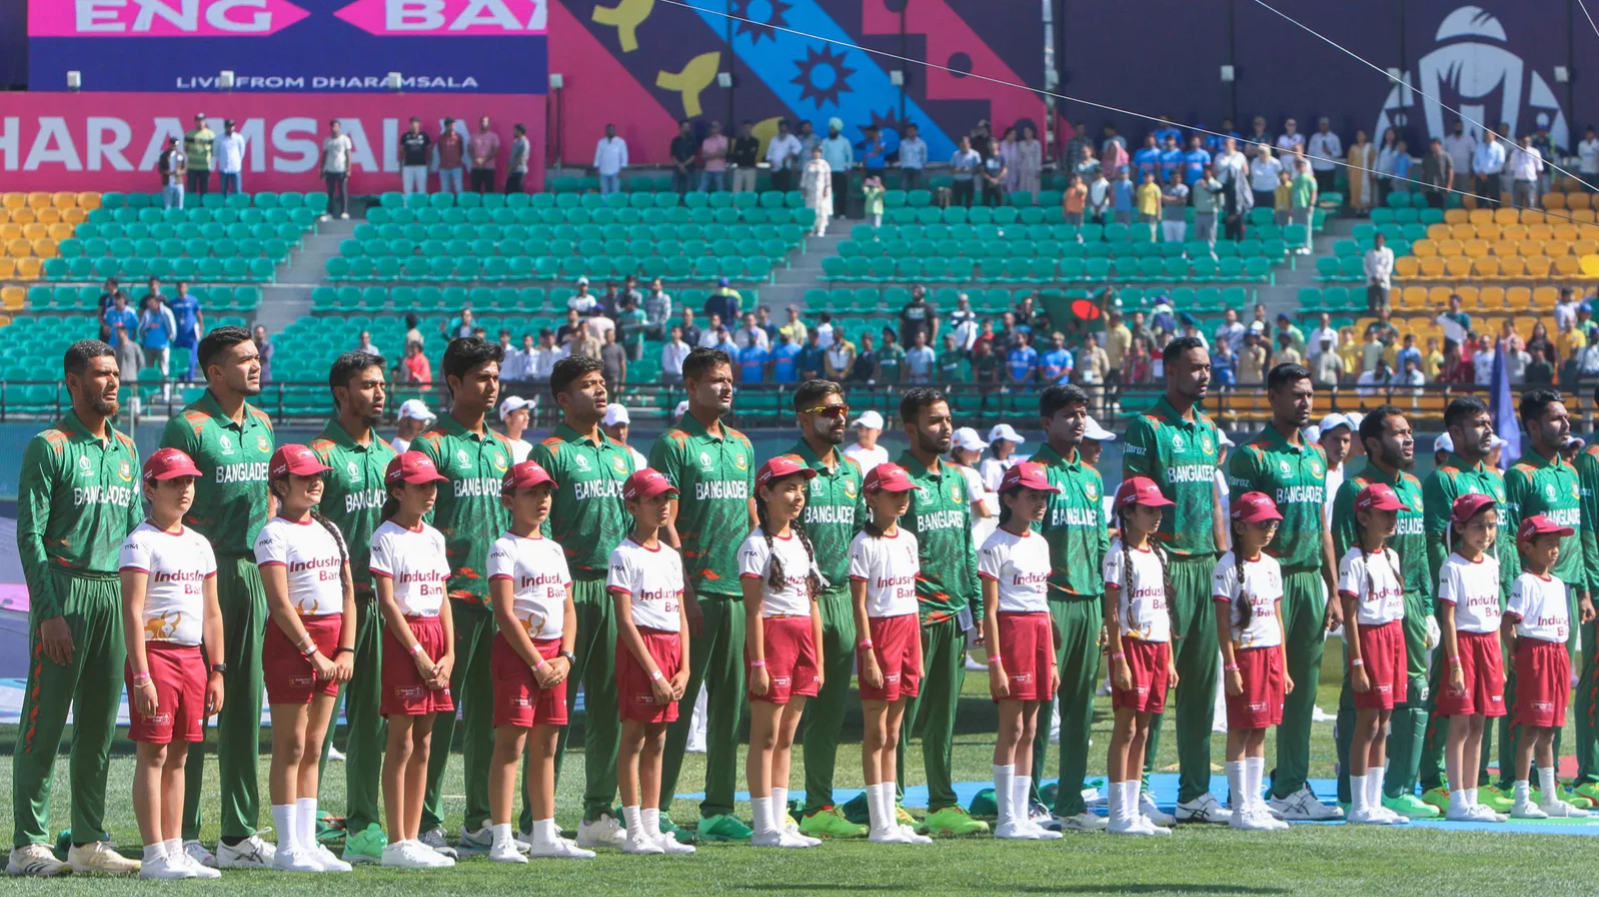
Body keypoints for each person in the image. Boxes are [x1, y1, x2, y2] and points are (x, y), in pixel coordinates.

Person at [10, 341, 144, 878]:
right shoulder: (49, 446)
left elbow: (138, 537)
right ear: (72, 382)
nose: (112, 382)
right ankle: (28, 845)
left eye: (115, 373)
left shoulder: (129, 451)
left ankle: (87, 841)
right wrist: (48, 612)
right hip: (64, 592)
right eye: (100, 375)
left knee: (98, 727)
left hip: (114, 594)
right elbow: (29, 535)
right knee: (43, 725)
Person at [158, 326, 277, 868]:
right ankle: (182, 834)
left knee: (245, 707)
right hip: (202, 574)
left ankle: (236, 836)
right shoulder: (188, 425)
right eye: (243, 359)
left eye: (256, 357)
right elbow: (166, 504)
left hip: (253, 572)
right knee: (191, 708)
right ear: (214, 372)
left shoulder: (264, 424)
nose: (255, 365)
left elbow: (269, 500)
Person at [1118, 338, 1228, 824]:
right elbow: (1132, 497)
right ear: (1170, 371)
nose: (1205, 376)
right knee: (1154, 684)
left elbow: (1214, 498)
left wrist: (1226, 558)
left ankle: (1195, 794)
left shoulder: (1208, 431)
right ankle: (1137, 789)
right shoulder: (1148, 426)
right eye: (1195, 368)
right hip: (1163, 564)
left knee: (1203, 687)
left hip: (1206, 564)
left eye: (1208, 368)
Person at [650, 349, 757, 841]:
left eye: (729, 380)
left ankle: (717, 810)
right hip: (691, 589)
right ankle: (660, 807)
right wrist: (683, 588)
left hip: (737, 590)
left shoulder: (742, 444)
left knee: (730, 708)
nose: (726, 387)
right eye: (715, 380)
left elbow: (752, 515)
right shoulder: (673, 444)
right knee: (678, 700)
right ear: (690, 387)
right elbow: (663, 521)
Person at [1228, 364, 1343, 820]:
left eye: (1310, 394)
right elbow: (1240, 527)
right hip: (1266, 581)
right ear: (1273, 397)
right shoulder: (1250, 456)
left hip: (1309, 579)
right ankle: (1245, 794)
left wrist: (1333, 591)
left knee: (1303, 692)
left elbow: (1322, 525)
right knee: (1258, 687)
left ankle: (1290, 787)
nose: (1306, 402)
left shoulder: (1316, 457)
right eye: (1296, 394)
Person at [413, 337, 514, 855]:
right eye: (481, 377)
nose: (492, 385)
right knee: (437, 716)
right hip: (448, 601)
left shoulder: (502, 448)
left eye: (496, 376)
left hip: (501, 602)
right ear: (453, 383)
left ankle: (481, 820)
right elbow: (414, 525)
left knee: (493, 717)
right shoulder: (431, 445)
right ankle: (425, 819)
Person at [760, 383, 869, 840]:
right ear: (803, 419)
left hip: (841, 598)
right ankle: (771, 809)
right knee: (780, 717)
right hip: (795, 603)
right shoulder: (786, 468)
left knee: (829, 714)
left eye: (843, 409)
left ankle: (818, 803)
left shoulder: (853, 471)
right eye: (828, 411)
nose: (840, 418)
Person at [303, 353, 397, 863]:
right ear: (341, 393)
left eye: (382, 385)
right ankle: (306, 824)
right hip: (329, 610)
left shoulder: (390, 457)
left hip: (378, 605)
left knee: (371, 723)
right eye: (367, 385)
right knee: (316, 724)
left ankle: (364, 825)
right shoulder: (317, 455)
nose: (380, 393)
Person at [481, 460, 594, 862]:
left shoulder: (553, 548)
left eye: (545, 492)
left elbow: (568, 609)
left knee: (547, 746)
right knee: (511, 746)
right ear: (509, 500)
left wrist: (565, 655)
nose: (542, 499)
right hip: (518, 656)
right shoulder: (503, 547)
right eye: (531, 492)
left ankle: (544, 834)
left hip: (554, 658)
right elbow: (505, 612)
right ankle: (502, 839)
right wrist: (537, 663)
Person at [121, 448, 225, 880]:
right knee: (155, 752)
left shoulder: (200, 544)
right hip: (156, 656)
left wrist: (218, 668)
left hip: (192, 660)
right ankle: (153, 855)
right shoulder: (140, 542)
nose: (185, 489)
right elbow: (132, 609)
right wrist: (142, 674)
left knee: (181, 755)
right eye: (174, 482)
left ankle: (176, 848)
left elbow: (213, 612)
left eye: (189, 481)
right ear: (150, 488)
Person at [890, 389, 988, 835]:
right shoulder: (893, 478)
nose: (945, 427)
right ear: (910, 429)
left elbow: (967, 548)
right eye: (934, 421)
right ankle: (889, 798)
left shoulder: (956, 478)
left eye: (948, 418)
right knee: (900, 715)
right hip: (910, 614)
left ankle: (943, 802)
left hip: (953, 613)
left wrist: (977, 605)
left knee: (943, 718)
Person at [255, 445, 357, 871]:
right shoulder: (273, 534)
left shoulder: (330, 529)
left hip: (333, 647)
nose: (316, 481)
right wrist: (313, 652)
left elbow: (349, 592)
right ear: (281, 485)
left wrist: (347, 648)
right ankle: (287, 848)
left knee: (315, 746)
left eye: (319, 474)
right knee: (291, 745)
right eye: (304, 476)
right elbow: (279, 604)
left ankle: (308, 841)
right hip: (293, 646)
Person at [1328, 408, 1433, 819]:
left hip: (1406, 603)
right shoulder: (1354, 487)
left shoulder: (1413, 485)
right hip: (1368, 609)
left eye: (1410, 431)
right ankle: (1350, 792)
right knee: (1361, 703)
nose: (1409, 439)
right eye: (1399, 433)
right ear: (1372, 443)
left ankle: (1397, 787)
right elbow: (1340, 545)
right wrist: (1337, 599)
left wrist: (1424, 606)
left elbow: (1421, 552)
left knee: (1408, 697)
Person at [1498, 389, 1592, 806]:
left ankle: (1547, 785)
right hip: (1530, 590)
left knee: (1555, 690)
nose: (1566, 424)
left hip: (1568, 589)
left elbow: (1583, 530)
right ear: (1533, 426)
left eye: (1566, 416)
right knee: (1522, 685)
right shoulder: (1520, 474)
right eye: (1556, 418)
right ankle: (1511, 779)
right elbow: (1505, 536)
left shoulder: (1570, 474)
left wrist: (1585, 590)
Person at [370, 452, 457, 869]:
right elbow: (387, 603)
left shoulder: (434, 537)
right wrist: (420, 654)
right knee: (401, 740)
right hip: (406, 640)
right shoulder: (385, 536)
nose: (430, 492)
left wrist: (450, 654)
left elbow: (442, 600)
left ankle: (414, 834)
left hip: (436, 641)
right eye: (421, 485)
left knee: (425, 740)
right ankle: (395, 841)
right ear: (398, 491)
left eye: (433, 485)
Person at [737, 457, 825, 849]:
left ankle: (780, 820)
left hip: (802, 637)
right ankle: (763, 827)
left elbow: (812, 605)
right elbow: (754, 610)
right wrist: (758, 664)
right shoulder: (755, 545)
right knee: (766, 735)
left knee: (788, 736)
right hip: (772, 639)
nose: (797, 496)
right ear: (765, 494)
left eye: (801, 489)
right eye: (788, 488)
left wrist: (818, 661)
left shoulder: (802, 541)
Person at [607, 468, 693, 853]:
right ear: (633, 505)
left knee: (658, 739)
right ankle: (635, 829)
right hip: (641, 651)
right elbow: (624, 620)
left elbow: (680, 614)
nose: (663, 506)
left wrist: (685, 668)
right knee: (634, 737)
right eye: (654, 499)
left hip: (672, 650)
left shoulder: (672, 556)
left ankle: (654, 825)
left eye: (666, 498)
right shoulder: (624, 554)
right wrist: (655, 672)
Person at [977, 462, 1064, 842]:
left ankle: (1023, 812)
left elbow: (1042, 601)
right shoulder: (994, 546)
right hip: (1012, 635)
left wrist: (1054, 659)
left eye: (1043, 496)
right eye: (1032, 496)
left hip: (1040, 634)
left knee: (1031, 727)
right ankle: (1006, 820)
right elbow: (991, 611)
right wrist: (995, 663)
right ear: (1009, 499)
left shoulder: (1041, 542)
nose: (1040, 503)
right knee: (1011, 727)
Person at [847, 463, 930, 842]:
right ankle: (880, 823)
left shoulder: (909, 540)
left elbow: (910, 597)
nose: (902, 499)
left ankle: (890, 820)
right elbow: (860, 605)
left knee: (895, 732)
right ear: (872, 497)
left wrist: (918, 652)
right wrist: (867, 652)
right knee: (876, 732)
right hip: (880, 635)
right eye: (893, 493)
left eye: (905, 493)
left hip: (907, 632)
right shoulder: (863, 544)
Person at [1103, 476, 1178, 836]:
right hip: (1131, 647)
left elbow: (1164, 610)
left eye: (1159, 510)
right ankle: (1119, 814)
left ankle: (1133, 810)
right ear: (1128, 513)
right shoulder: (1118, 555)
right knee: (1127, 726)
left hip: (1159, 648)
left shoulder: (1159, 552)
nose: (1157, 516)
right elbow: (1112, 613)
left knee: (1145, 730)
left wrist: (1171, 659)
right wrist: (1118, 659)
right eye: (1149, 510)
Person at [1213, 492, 1292, 831]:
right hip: (1244, 658)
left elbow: (1276, 619)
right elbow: (1221, 623)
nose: (1268, 530)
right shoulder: (1226, 567)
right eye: (1261, 524)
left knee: (1261, 729)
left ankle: (1255, 802)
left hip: (1270, 654)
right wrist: (1230, 667)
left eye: (1272, 523)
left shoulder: (1272, 566)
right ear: (1241, 525)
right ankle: (1240, 808)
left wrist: (1284, 668)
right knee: (1241, 729)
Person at [1336, 483, 1412, 826]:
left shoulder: (1392, 556)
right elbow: (1350, 615)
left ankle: (1374, 801)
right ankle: (1358, 805)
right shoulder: (1352, 560)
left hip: (1394, 637)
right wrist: (1357, 662)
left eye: (1395, 513)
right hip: (1370, 641)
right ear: (1364, 517)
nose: (1392, 519)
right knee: (1367, 723)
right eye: (1385, 513)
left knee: (1385, 724)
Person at [1505, 516, 1589, 817]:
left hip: (1557, 655)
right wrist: (1516, 654)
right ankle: (1521, 799)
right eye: (1548, 544)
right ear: (1528, 547)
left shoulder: (1559, 583)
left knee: (1551, 730)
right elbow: (1509, 622)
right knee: (1530, 728)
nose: (1555, 550)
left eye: (1557, 544)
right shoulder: (1524, 582)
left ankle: (1549, 798)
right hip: (1535, 654)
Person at [1433, 493, 1508, 823]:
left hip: (1489, 648)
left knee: (1480, 723)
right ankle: (1458, 800)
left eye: (1491, 526)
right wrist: (1455, 665)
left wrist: (1500, 661)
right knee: (1460, 725)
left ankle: (1473, 796)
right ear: (1460, 527)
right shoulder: (1452, 566)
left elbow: (1494, 616)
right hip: (1463, 647)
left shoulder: (1493, 564)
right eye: (1478, 526)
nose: (1486, 533)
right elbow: (1448, 618)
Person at [318, 120, 354, 221]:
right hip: (330, 169)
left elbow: (348, 155)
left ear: (340, 128)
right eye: (333, 126)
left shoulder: (345, 139)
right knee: (330, 192)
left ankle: (344, 212)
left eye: (337, 126)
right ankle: (330, 213)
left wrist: (348, 169)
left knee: (342, 192)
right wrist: (321, 169)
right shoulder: (327, 140)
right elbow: (324, 156)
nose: (335, 128)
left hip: (341, 169)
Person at [980, 423, 1025, 498]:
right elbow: (988, 491)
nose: (1014, 443)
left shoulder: (1012, 463)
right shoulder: (988, 464)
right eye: (1010, 440)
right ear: (998, 443)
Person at [844, 410, 889, 476]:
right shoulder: (849, 454)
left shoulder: (883, 453)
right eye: (860, 428)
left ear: (878, 432)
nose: (863, 433)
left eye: (868, 429)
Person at [801, 146, 832, 237]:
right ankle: (811, 228)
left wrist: (826, 189)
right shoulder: (808, 164)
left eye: (818, 152)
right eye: (814, 151)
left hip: (821, 190)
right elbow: (804, 177)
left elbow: (828, 178)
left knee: (821, 210)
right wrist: (803, 188)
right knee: (811, 210)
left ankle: (821, 229)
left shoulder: (825, 164)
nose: (816, 153)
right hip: (810, 191)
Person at [765, 119, 802, 193]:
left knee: (784, 188)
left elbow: (799, 147)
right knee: (775, 188)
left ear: (787, 128)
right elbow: (769, 154)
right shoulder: (773, 139)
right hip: (775, 168)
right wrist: (771, 161)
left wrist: (789, 156)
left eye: (784, 127)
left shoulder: (791, 138)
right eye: (781, 127)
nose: (782, 129)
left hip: (785, 167)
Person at [593, 124, 629, 195]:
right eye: (608, 130)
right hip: (603, 171)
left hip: (616, 171)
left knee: (615, 192)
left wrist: (622, 169)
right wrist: (596, 167)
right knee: (604, 192)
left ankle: (614, 206)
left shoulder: (620, 142)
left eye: (612, 130)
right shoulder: (601, 142)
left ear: (614, 131)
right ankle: (605, 206)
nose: (610, 131)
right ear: (606, 131)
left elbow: (624, 156)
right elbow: (598, 155)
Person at [399, 117, 432, 196]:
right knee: (407, 190)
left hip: (421, 166)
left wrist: (429, 165)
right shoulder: (405, 136)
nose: (413, 125)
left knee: (422, 189)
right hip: (408, 166)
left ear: (419, 124)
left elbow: (430, 151)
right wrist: (400, 167)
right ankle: (407, 207)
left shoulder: (424, 136)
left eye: (414, 123)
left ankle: (422, 207)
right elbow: (401, 152)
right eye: (411, 124)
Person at [183, 113, 214, 196]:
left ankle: (203, 208)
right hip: (192, 167)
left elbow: (213, 150)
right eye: (198, 121)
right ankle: (192, 207)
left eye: (202, 121)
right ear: (195, 122)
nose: (200, 123)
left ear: (205, 122)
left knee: (204, 190)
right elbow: (186, 149)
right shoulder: (189, 134)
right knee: (191, 189)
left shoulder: (210, 135)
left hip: (205, 167)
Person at [214, 120, 246, 197]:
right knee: (224, 190)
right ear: (225, 127)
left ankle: (238, 207)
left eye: (231, 126)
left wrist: (236, 161)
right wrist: (222, 160)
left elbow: (242, 152)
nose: (230, 128)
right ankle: (225, 208)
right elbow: (216, 152)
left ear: (234, 127)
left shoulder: (239, 138)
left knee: (237, 190)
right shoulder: (219, 138)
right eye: (228, 126)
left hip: (235, 168)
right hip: (223, 168)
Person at [469, 117, 501, 194]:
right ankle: (475, 206)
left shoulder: (494, 136)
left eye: (486, 122)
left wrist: (484, 160)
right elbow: (469, 149)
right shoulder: (473, 136)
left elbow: (495, 150)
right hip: (476, 167)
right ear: (479, 124)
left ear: (489, 124)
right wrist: (476, 160)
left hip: (489, 167)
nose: (484, 124)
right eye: (482, 122)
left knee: (489, 189)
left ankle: (489, 205)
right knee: (475, 190)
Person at [1364, 232, 1394, 314]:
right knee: (1371, 306)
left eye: (1380, 238)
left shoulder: (1388, 252)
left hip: (1383, 283)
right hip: (1371, 282)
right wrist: (1372, 277)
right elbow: (1366, 266)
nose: (1378, 240)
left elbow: (1389, 266)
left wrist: (1381, 278)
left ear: (1384, 240)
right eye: (1377, 238)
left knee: (1384, 306)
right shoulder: (1369, 253)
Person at [435, 118, 465, 195]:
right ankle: (446, 206)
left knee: (459, 189)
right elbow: (440, 151)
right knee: (445, 190)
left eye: (454, 126)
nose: (452, 127)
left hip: (456, 167)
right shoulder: (441, 138)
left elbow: (461, 151)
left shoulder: (458, 137)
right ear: (445, 126)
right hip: (444, 167)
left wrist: (456, 159)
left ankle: (459, 206)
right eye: (450, 126)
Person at [669, 119, 698, 196]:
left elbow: (694, 155)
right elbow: (672, 156)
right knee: (674, 190)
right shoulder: (675, 140)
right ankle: (673, 205)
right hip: (677, 168)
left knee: (689, 191)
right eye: (685, 127)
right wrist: (680, 166)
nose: (687, 129)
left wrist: (684, 165)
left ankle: (688, 207)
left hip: (690, 168)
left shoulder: (692, 140)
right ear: (680, 128)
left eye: (688, 127)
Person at [699, 121, 730, 193]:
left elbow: (723, 154)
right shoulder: (706, 141)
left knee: (720, 191)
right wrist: (716, 153)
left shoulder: (723, 139)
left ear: (719, 128)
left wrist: (709, 155)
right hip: (707, 169)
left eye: (715, 127)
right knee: (701, 191)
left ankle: (721, 204)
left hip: (720, 170)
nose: (713, 129)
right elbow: (704, 156)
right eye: (712, 128)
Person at [951, 136, 981, 208]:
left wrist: (969, 170)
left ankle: (968, 218)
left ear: (969, 144)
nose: (963, 147)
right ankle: (958, 218)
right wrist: (957, 170)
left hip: (969, 181)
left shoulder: (975, 154)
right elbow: (951, 168)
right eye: (961, 145)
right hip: (957, 182)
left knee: (969, 203)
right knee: (957, 203)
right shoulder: (955, 154)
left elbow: (979, 169)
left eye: (964, 145)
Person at [730, 121, 760, 194]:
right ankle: (735, 205)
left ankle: (749, 205)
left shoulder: (755, 141)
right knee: (736, 190)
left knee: (749, 191)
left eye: (749, 127)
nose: (747, 129)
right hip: (739, 168)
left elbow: (753, 154)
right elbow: (735, 154)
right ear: (742, 129)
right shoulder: (739, 141)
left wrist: (742, 152)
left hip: (750, 168)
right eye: (745, 127)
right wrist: (748, 151)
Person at [898, 123, 927, 190]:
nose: (910, 132)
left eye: (912, 130)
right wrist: (902, 165)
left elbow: (924, 157)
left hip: (917, 168)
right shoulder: (903, 143)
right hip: (905, 168)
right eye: (908, 130)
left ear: (916, 131)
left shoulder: (922, 143)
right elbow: (901, 155)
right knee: (903, 187)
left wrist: (922, 166)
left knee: (915, 188)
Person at [505, 124, 530, 195]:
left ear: (520, 131)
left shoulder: (524, 142)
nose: (513, 132)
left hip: (519, 171)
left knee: (518, 191)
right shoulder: (516, 142)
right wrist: (509, 168)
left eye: (515, 131)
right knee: (508, 192)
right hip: (512, 171)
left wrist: (511, 168)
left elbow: (521, 158)